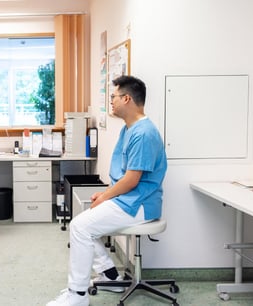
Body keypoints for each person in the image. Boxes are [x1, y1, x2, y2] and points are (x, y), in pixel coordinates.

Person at [47, 75, 167, 306]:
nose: (110, 101)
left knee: (80, 227)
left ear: (127, 98)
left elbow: (132, 180)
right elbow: (123, 174)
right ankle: (110, 276)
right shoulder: (129, 129)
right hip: (129, 199)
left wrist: (104, 196)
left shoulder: (143, 133)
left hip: (140, 204)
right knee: (82, 225)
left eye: (113, 97)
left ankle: (77, 295)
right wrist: (106, 192)